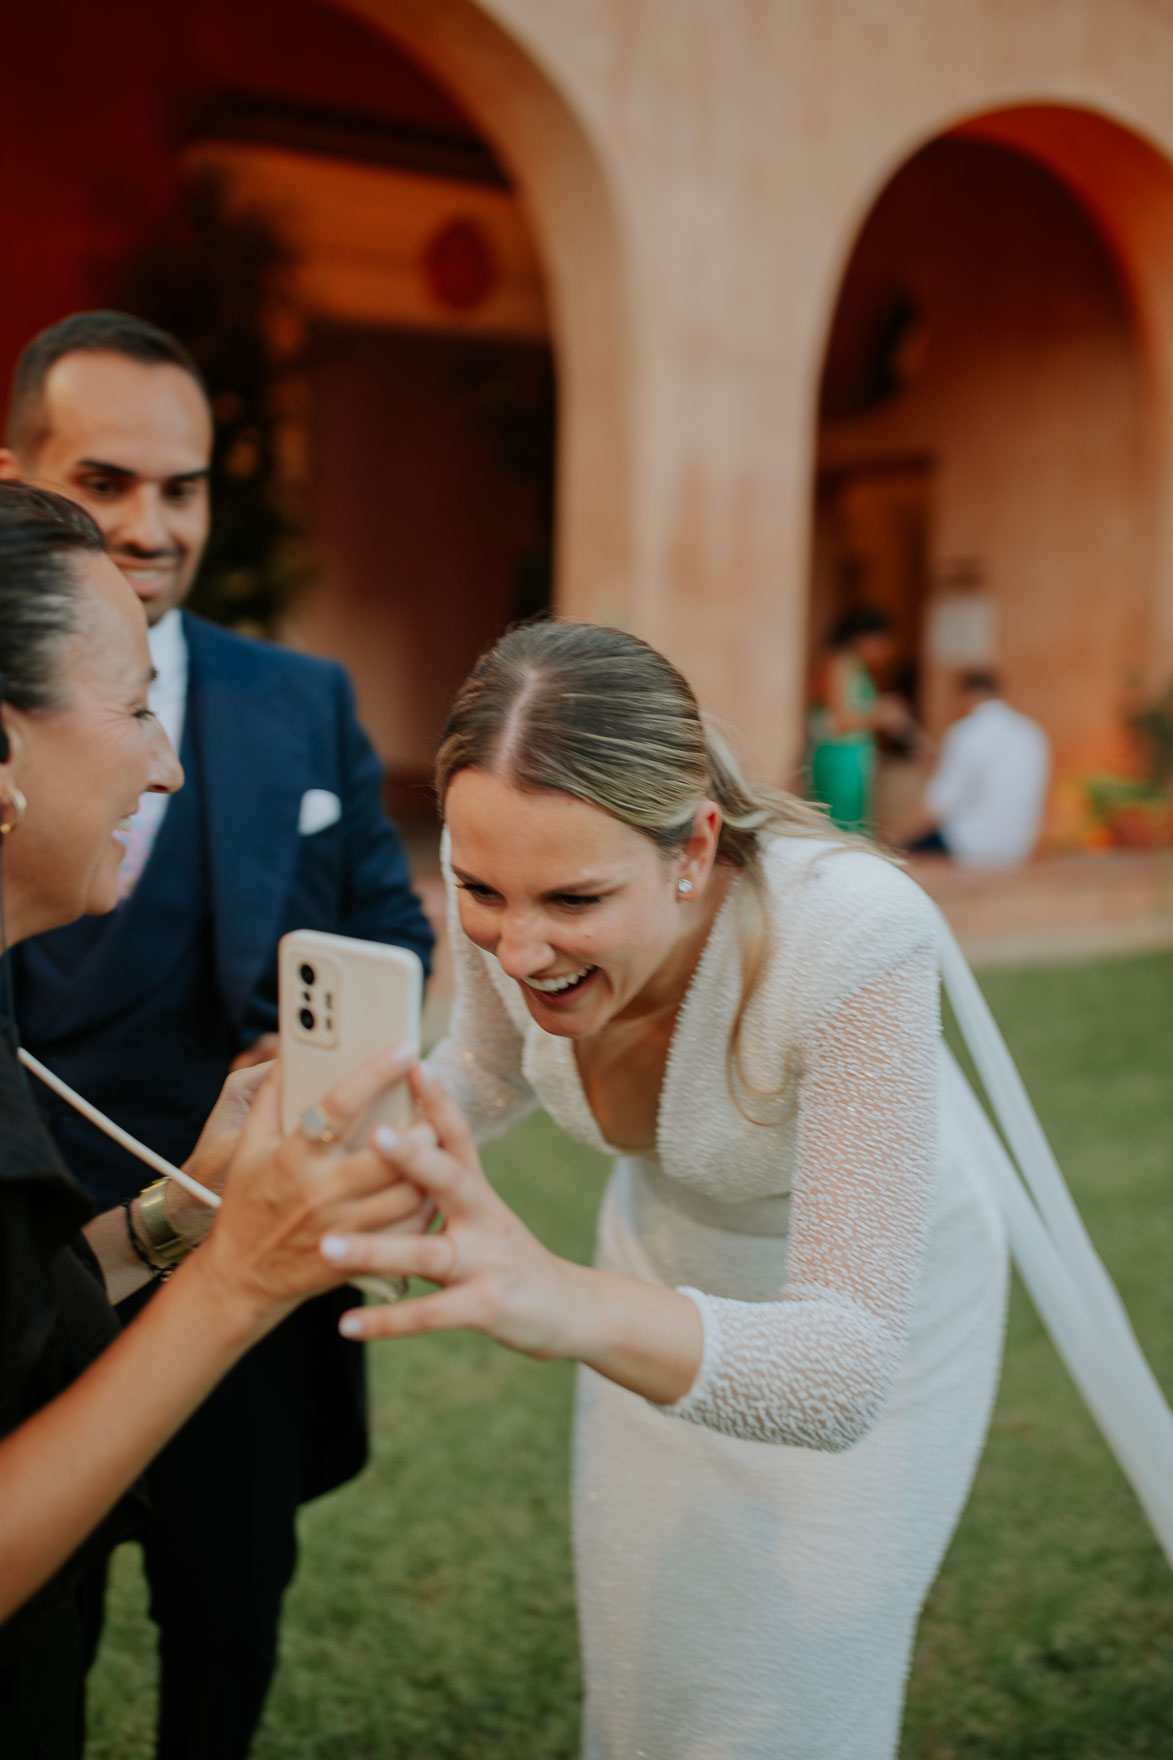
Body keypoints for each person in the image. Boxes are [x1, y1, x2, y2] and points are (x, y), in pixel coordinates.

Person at [317, 620, 1009, 1759]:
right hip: (665, 1260)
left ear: (691, 847)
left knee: (786, 1701)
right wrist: (371, 1128)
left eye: (576, 903)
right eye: (484, 891)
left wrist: (558, 1297)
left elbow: (842, 1371)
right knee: (653, 1669)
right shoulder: (506, 850)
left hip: (871, 1310)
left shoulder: (857, 940)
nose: (522, 948)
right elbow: (488, 1066)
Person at [0, 312, 434, 1759]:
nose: (150, 523)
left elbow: (392, 935)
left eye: (181, 488)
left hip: (164, 1247)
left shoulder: (297, 701)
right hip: (51, 1283)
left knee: (221, 1623)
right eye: (104, 481)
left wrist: (195, 1209)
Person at [907, 668, 1050, 868]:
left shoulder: (965, 732)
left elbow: (938, 804)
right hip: (1018, 847)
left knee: (900, 855)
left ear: (968, 696)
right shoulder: (1032, 732)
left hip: (968, 845)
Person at [807, 603, 918, 832]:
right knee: (839, 826)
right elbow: (841, 719)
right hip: (840, 758)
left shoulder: (855, 666)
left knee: (851, 823)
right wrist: (882, 712)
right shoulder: (840, 662)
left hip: (852, 757)